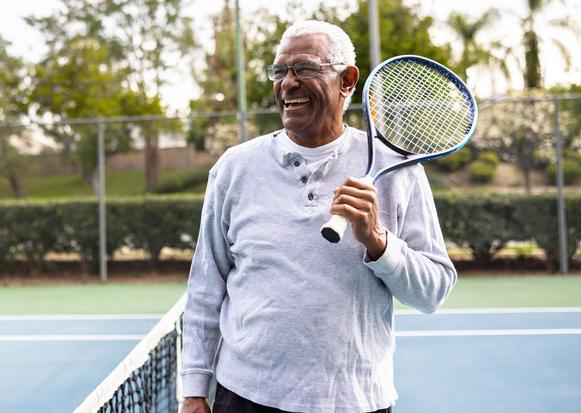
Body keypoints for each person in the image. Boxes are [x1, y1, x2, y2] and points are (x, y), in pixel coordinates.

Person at [180, 20, 457, 413]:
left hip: (355, 400)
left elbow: (433, 292)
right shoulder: (233, 168)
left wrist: (377, 242)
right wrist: (193, 390)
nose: (288, 83)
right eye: (280, 70)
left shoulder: (400, 172)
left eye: (305, 68)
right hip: (245, 396)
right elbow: (205, 287)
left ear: (347, 80)